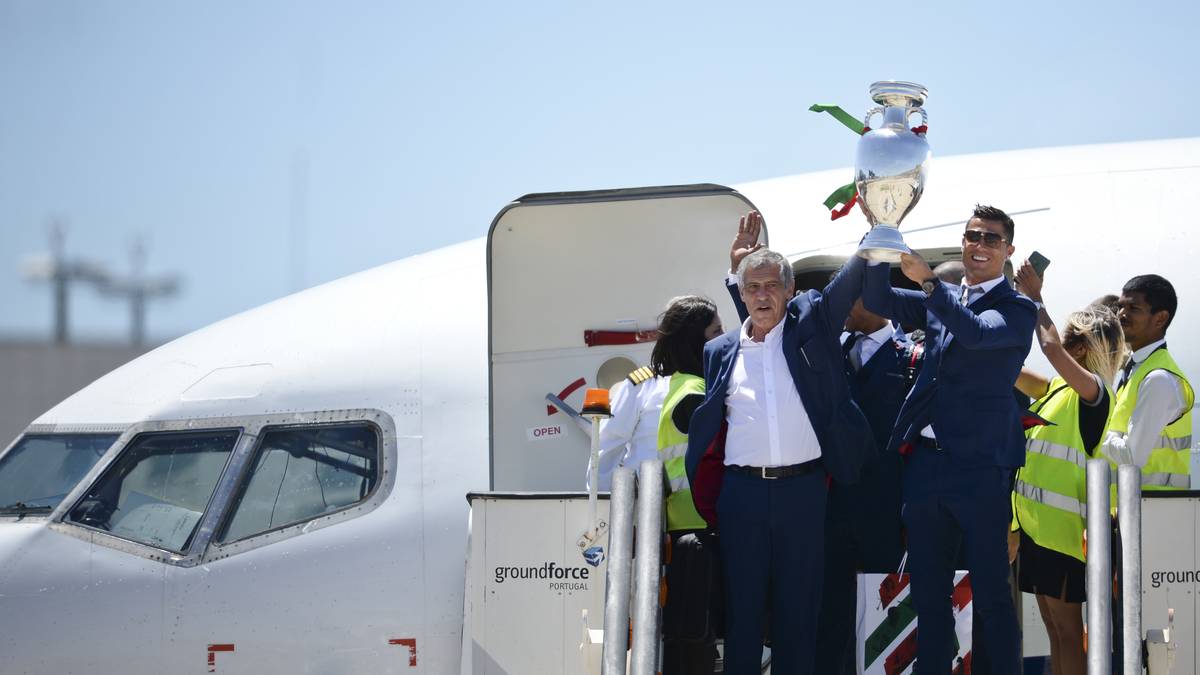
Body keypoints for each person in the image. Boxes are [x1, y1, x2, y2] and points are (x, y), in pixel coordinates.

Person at [685, 210, 872, 675]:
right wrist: (740, 266)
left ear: (790, 291)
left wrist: (876, 225)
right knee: (743, 614)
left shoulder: (811, 329)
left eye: (772, 286)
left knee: (798, 613)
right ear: (740, 293)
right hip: (741, 497)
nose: (762, 295)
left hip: (803, 494)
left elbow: (847, 285)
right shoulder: (719, 351)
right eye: (752, 288)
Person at [861, 204, 1036, 675]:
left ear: (1008, 251)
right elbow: (877, 300)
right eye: (972, 236)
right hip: (927, 466)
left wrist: (931, 284)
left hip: (981, 469)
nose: (979, 246)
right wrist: (881, 234)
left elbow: (976, 333)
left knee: (992, 591)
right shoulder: (940, 300)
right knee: (929, 592)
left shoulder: (1017, 309)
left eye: (991, 240)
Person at [1012, 260, 1125, 675]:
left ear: (1081, 349)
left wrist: (1034, 298)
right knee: (1056, 631)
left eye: (1071, 340)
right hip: (1040, 534)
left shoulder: (1095, 394)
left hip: (1065, 539)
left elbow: (1049, 348)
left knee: (1066, 630)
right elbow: (1013, 372)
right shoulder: (1060, 388)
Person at [652, 295, 724, 675]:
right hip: (699, 533)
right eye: (716, 332)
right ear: (698, 340)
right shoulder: (697, 395)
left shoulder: (679, 386)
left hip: (684, 533)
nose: (724, 339)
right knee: (697, 646)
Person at [1102, 274, 1193, 489]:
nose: (1121, 315)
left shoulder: (1158, 379)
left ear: (1160, 318)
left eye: (1133, 309)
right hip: (1133, 509)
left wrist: (1100, 434)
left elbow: (1132, 458)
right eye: (1120, 307)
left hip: (1154, 513)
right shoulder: (1138, 369)